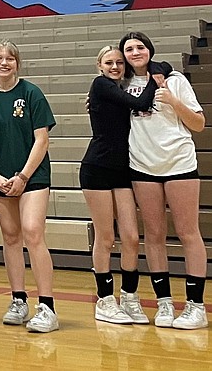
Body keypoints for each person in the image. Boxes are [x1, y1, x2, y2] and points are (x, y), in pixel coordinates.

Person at [0, 41, 58, 332]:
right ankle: (19, 299)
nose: (4, 62)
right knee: (10, 237)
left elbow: (41, 139)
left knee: (32, 232)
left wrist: (23, 177)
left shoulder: (31, 93)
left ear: (17, 63)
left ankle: (47, 306)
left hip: (32, 177)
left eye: (10, 58)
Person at [121, 32, 207, 329]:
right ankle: (165, 304)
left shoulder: (175, 79)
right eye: (129, 49)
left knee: (187, 232)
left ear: (150, 49)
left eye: (140, 47)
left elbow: (198, 124)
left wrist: (171, 100)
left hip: (179, 164)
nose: (135, 52)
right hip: (143, 166)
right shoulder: (122, 85)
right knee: (154, 235)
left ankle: (196, 306)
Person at [80, 45, 162, 324]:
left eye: (119, 62)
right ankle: (104, 300)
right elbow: (141, 104)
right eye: (109, 62)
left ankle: (130, 297)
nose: (115, 66)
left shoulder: (122, 89)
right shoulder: (101, 84)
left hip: (123, 170)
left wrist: (161, 69)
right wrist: (157, 76)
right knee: (106, 237)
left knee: (131, 237)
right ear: (99, 66)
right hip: (97, 168)